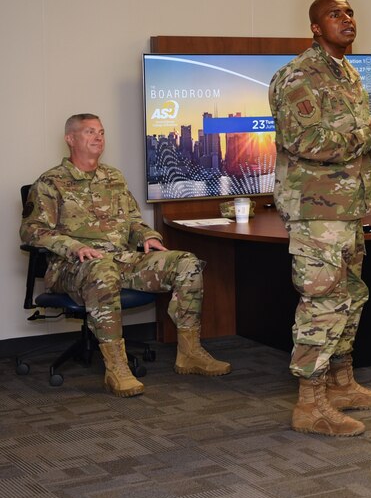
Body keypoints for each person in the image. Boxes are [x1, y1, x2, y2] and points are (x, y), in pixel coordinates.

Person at [20, 114, 230, 397]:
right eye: (89, 132)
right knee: (101, 270)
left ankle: (189, 352)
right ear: (70, 139)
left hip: (121, 259)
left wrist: (148, 236)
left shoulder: (114, 177)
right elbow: (31, 231)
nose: (98, 137)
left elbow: (133, 220)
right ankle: (116, 368)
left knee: (186, 263)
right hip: (73, 266)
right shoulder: (50, 182)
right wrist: (73, 246)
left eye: (102, 132)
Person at [270, 0, 371, 437]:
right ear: (315, 27)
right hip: (314, 209)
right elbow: (304, 140)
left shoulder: (347, 74)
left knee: (351, 294)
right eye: (334, 14)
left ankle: (341, 383)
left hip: (346, 208)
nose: (346, 19)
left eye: (349, 12)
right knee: (322, 301)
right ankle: (310, 402)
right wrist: (366, 138)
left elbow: (351, 142)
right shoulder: (297, 76)